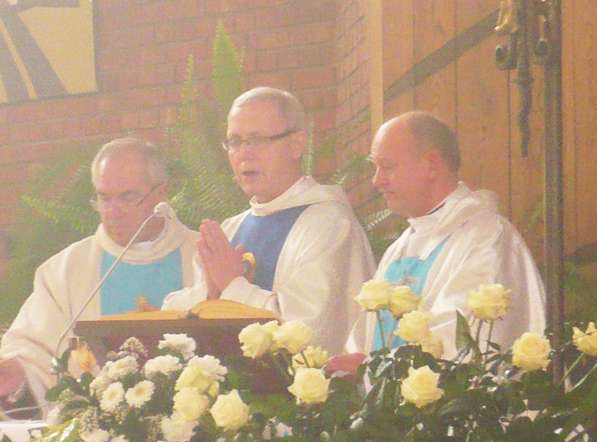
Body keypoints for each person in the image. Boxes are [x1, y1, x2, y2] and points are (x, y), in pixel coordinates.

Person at [163, 87, 375, 354]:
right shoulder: (230, 229)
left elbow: (309, 330)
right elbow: (178, 317)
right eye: (234, 142)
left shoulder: (328, 223)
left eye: (256, 140)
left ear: (297, 144)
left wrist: (231, 285)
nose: (244, 154)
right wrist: (210, 294)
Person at [0, 137, 200, 413]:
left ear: (162, 193)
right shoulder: (64, 271)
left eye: (127, 197)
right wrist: (16, 375)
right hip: (93, 427)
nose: (112, 212)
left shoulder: (201, 257)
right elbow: (33, 352)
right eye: (104, 198)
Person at [334, 111, 546, 370]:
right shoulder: (399, 248)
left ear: (431, 164)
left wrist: (370, 370)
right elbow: (365, 341)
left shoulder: (485, 237)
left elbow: (462, 342)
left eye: (387, 167)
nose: (376, 181)